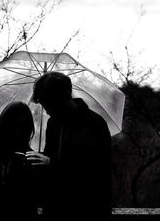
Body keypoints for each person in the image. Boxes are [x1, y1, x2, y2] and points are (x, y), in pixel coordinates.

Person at [26, 72, 112, 221]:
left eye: (46, 100)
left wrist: (50, 164)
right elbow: (50, 160)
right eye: (41, 101)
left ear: (63, 95)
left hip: (87, 211)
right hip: (56, 210)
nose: (45, 108)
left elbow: (94, 172)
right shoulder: (53, 123)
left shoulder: (94, 124)